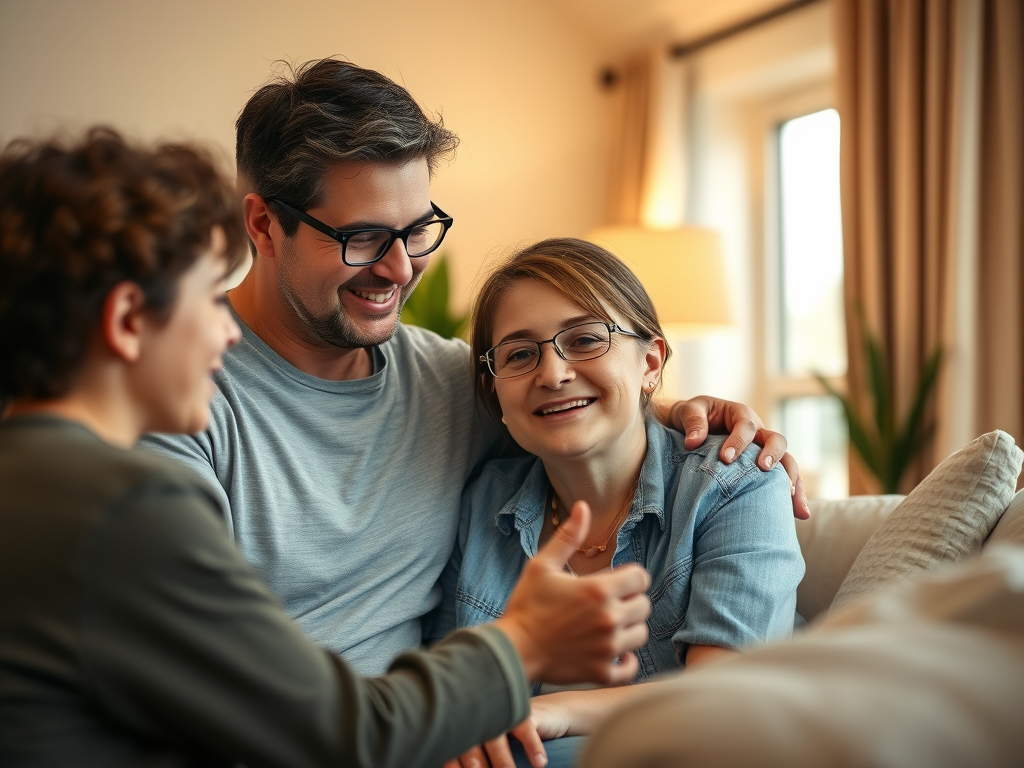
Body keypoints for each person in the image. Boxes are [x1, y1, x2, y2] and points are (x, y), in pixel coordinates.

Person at [0, 128, 653, 768]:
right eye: (206, 297)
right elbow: (337, 735)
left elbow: (544, 398)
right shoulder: (121, 504)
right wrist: (526, 642)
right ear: (126, 322)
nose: (225, 335)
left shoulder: (37, 478)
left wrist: (667, 406)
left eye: (414, 231)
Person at [138, 58, 809, 680]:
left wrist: (686, 413)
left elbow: (564, 404)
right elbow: (184, 682)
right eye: (363, 238)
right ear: (262, 224)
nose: (400, 269)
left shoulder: (447, 383)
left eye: (417, 230)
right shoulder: (171, 396)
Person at [429, 238, 805, 767]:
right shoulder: (482, 503)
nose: (553, 373)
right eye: (519, 354)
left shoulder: (734, 482)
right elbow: (453, 692)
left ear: (651, 362)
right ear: (496, 396)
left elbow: (724, 699)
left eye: (584, 340)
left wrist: (553, 711)